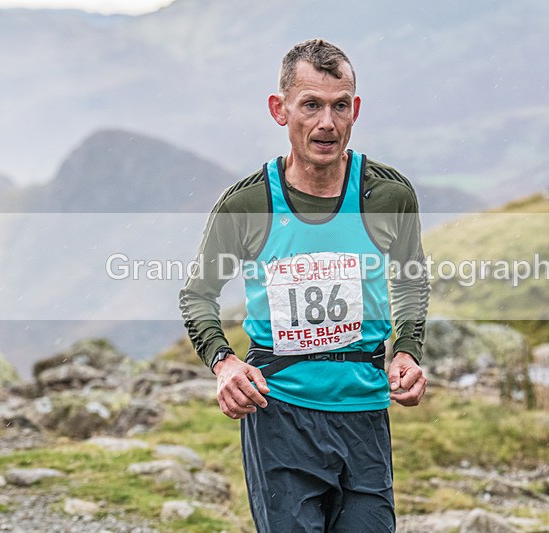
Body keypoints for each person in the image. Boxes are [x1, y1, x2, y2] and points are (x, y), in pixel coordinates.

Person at [179, 39, 429, 532]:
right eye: (311, 105)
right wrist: (224, 363)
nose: (327, 123)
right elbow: (198, 294)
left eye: (340, 106)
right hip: (279, 414)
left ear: (356, 110)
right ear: (280, 110)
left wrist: (407, 350)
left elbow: (411, 280)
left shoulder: (388, 195)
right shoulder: (247, 204)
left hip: (364, 413)